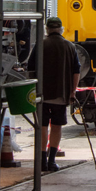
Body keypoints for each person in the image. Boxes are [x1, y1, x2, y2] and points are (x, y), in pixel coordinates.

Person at [30, 17, 81, 172]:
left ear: (47, 29)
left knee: (43, 126)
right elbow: (76, 71)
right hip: (61, 94)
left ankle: (42, 161)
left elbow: (30, 68)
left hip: (42, 94)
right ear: (61, 29)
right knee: (57, 126)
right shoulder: (70, 46)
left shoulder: (41, 45)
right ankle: (52, 161)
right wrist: (73, 91)